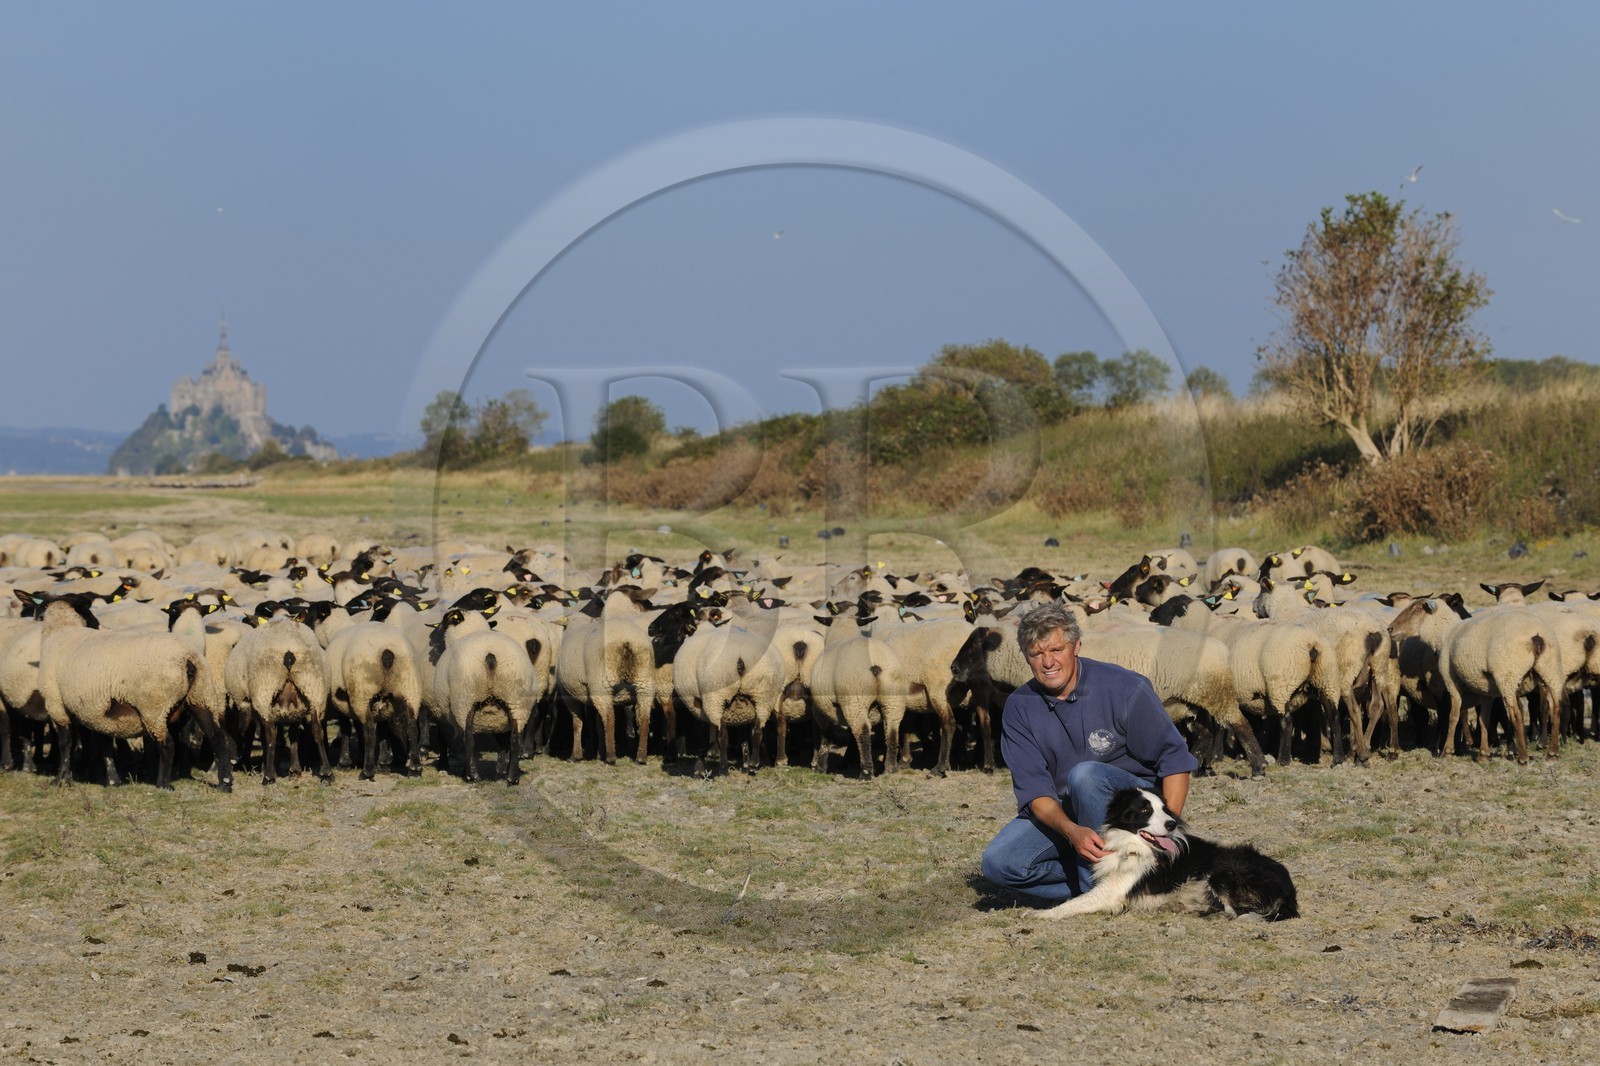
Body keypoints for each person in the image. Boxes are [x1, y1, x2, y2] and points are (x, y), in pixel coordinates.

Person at [980, 602, 1197, 901]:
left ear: (1076, 646)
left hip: (1131, 807)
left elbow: (1174, 761)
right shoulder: (1019, 707)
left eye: (1056, 650)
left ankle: (1098, 892)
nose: (1047, 662)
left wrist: (1164, 834)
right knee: (1000, 865)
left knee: (1085, 775)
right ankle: (1125, 884)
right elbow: (1036, 793)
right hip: (1067, 808)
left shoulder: (1125, 688)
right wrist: (1071, 831)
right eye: (1036, 654)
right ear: (1026, 657)